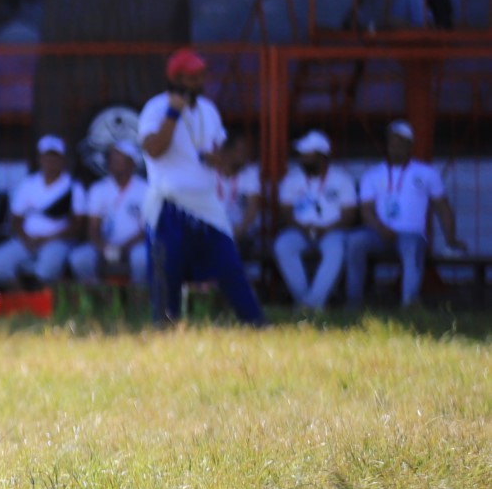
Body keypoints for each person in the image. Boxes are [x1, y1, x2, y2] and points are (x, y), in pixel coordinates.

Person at [139, 49, 266, 326]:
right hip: (169, 203)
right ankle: (165, 328)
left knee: (229, 264)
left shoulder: (209, 109)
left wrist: (215, 158)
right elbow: (153, 149)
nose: (200, 81)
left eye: (201, 75)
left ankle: (255, 323)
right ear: (178, 78)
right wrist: (173, 113)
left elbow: (218, 156)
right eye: (193, 77)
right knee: (167, 270)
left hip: (205, 202)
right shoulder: (156, 107)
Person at [350, 120, 458, 310]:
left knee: (412, 247)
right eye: (391, 141)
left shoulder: (426, 173)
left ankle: (409, 303)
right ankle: (354, 302)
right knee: (355, 242)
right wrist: (381, 228)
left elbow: (442, 207)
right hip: (378, 233)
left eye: (400, 141)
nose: (394, 145)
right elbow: (366, 210)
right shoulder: (373, 174)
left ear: (410, 144)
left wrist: (450, 238)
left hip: (411, 234)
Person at [275, 130, 358, 312]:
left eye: (307, 155)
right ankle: (306, 300)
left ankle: (313, 303)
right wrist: (302, 227)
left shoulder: (342, 179)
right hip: (300, 230)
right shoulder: (292, 179)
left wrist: (326, 229)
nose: (302, 159)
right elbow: (285, 211)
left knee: (336, 248)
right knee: (283, 245)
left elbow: (349, 214)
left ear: (321, 157)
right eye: (302, 155)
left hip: (332, 231)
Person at [0, 136, 83, 289]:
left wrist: (48, 238)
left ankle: (41, 305)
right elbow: (16, 219)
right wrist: (27, 239)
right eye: (47, 157)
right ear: (40, 159)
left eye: (55, 157)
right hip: (27, 241)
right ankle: (22, 302)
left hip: (57, 241)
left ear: (62, 160)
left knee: (48, 268)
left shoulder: (72, 186)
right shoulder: (28, 184)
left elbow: (78, 225)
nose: (50, 161)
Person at [73, 142, 149, 286]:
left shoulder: (145, 189)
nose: (114, 162)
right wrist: (103, 247)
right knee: (79, 258)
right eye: (112, 159)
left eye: (119, 159)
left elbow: (147, 230)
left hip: (135, 245)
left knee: (141, 259)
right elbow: (93, 228)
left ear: (132, 163)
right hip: (104, 245)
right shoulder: (99, 188)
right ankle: (98, 298)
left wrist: (123, 248)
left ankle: (139, 300)